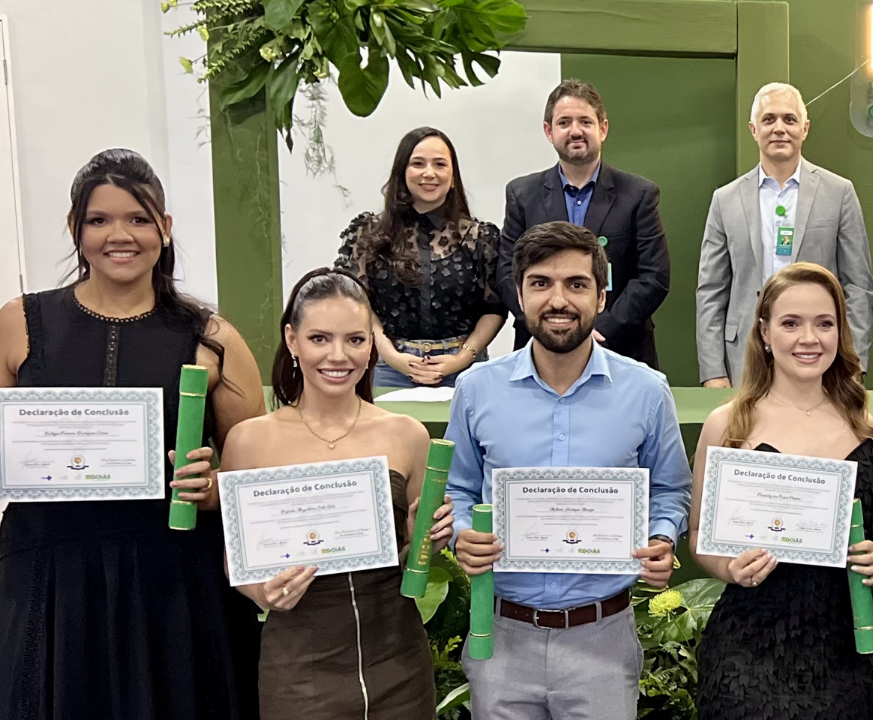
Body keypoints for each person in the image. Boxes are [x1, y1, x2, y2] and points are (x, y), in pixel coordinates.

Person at [0, 149, 268, 719]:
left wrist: (212, 489)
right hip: (48, 576)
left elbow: (254, 474)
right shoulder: (18, 322)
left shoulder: (212, 338)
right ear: (75, 230)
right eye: (99, 220)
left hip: (172, 581)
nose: (121, 235)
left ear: (164, 229)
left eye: (139, 219)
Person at [447, 221, 691, 720]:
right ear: (519, 294)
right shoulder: (476, 390)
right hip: (500, 634)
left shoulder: (646, 391)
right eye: (541, 284)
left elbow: (670, 490)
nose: (558, 300)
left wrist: (661, 539)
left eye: (576, 285)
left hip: (601, 639)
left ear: (602, 297)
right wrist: (463, 534)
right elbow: (458, 488)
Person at [217, 268, 456, 718]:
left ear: (371, 344)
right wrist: (264, 593)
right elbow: (237, 561)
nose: (338, 355)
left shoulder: (407, 434)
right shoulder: (250, 440)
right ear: (292, 340)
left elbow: (415, 558)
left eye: (355, 340)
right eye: (320, 338)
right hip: (299, 666)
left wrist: (426, 536)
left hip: (398, 661)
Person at [691, 262, 873, 719]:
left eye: (824, 323)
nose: (809, 339)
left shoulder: (865, 425)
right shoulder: (729, 423)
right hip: (747, 653)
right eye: (791, 323)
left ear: (841, 330)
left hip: (844, 651)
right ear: (763, 332)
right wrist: (729, 567)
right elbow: (698, 531)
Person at [698, 82, 873, 387]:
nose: (779, 128)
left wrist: (853, 364)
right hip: (744, 357)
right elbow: (710, 292)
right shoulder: (725, 200)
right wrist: (713, 371)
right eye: (769, 120)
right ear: (753, 129)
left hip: (817, 354)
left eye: (789, 119)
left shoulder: (839, 193)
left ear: (804, 129)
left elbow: (858, 287)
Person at [498, 79, 671, 368]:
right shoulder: (521, 195)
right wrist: (547, 322)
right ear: (548, 131)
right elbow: (506, 273)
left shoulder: (639, 194)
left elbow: (653, 277)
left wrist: (595, 327)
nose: (575, 131)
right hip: (538, 347)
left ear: (602, 129)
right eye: (564, 122)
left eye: (585, 122)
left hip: (619, 346)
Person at [336, 127, 505, 389]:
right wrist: (390, 355)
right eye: (418, 163)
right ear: (402, 172)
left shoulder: (480, 238)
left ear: (452, 176)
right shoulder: (367, 234)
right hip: (389, 367)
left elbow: (494, 309)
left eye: (440, 164)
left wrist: (461, 358)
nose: (429, 173)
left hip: (465, 369)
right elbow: (357, 301)